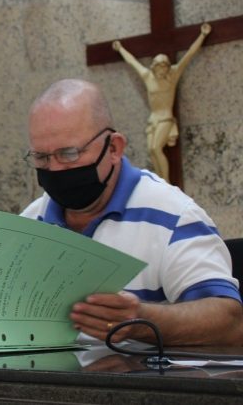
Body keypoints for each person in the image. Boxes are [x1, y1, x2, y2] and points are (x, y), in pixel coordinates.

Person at [18, 78, 241, 346]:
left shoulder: (174, 216)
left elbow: (229, 321)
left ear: (113, 148)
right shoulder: (30, 223)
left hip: (142, 385)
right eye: (41, 157)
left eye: (69, 154)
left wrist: (142, 320)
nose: (54, 169)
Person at [112, 23, 211, 182]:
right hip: (153, 119)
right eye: (159, 66)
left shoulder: (172, 76)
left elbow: (189, 55)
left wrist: (203, 35)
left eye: (165, 66)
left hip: (165, 118)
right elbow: (132, 62)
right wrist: (120, 49)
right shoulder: (147, 77)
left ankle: (165, 182)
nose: (162, 69)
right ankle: (159, 180)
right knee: (151, 151)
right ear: (154, 67)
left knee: (156, 148)